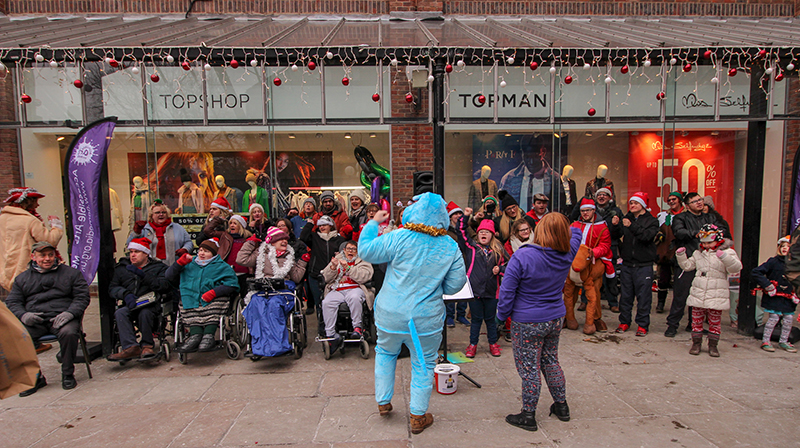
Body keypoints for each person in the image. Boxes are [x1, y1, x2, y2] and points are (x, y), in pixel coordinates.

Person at [358, 193, 467, 435]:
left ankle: (383, 401)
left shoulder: (399, 237)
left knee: (385, 352)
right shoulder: (450, 245)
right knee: (424, 363)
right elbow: (455, 284)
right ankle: (418, 415)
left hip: (390, 313)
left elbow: (365, 250)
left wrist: (374, 222)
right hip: (425, 319)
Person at [497, 213, 581, 431]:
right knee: (551, 360)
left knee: (529, 368)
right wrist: (564, 227)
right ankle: (561, 405)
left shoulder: (523, 256)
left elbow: (507, 291)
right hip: (554, 318)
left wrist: (500, 317)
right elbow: (578, 232)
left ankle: (528, 415)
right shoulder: (567, 252)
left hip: (527, 321)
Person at [6, 242, 90, 391]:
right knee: (17, 336)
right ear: (33, 257)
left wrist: (70, 313)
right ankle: (35, 377)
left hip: (62, 318)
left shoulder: (71, 274)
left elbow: (82, 297)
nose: (47, 259)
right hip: (35, 320)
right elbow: (13, 302)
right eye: (42, 255)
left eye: (50, 255)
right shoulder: (22, 278)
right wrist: (24, 315)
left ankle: (68, 374)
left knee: (69, 333)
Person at [665, 192, 732, 337]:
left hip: (706, 263)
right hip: (687, 260)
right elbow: (679, 232)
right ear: (687, 205)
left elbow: (723, 230)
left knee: (699, 298)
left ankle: (694, 325)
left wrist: (710, 234)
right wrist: (700, 233)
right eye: (695, 201)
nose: (699, 203)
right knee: (680, 296)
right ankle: (672, 325)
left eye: (700, 200)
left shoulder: (710, 217)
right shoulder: (680, 217)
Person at [236, 227, 309, 357]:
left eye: (286, 239)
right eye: (280, 239)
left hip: (282, 291)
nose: (284, 241)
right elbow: (241, 260)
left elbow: (297, 278)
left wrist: (303, 262)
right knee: (256, 305)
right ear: (272, 241)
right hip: (262, 289)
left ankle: (278, 346)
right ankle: (259, 347)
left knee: (274, 306)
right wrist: (251, 243)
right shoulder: (261, 254)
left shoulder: (289, 256)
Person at [676, 224, 742, 357]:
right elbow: (687, 266)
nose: (706, 246)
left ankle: (713, 345)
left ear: (718, 240)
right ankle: (696, 344)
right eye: (704, 243)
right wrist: (681, 255)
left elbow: (736, 268)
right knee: (696, 320)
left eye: (709, 242)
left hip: (717, 290)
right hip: (699, 289)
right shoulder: (698, 253)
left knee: (715, 321)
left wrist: (724, 257)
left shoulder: (728, 252)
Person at [167, 238, 239, 353]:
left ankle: (208, 335)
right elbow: (169, 277)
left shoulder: (222, 266)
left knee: (213, 308)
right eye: (200, 250)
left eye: (206, 251)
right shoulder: (189, 264)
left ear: (213, 254)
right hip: (191, 296)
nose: (201, 253)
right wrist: (179, 263)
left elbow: (232, 284)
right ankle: (195, 336)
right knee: (190, 308)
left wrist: (214, 292)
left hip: (213, 299)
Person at [107, 238, 171, 361]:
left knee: (145, 313)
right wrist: (125, 294)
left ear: (146, 253)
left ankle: (147, 346)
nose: (133, 255)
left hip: (150, 304)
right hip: (131, 303)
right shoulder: (122, 268)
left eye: (137, 252)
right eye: (131, 252)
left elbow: (164, 286)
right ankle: (131, 347)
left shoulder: (159, 268)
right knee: (120, 313)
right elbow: (113, 288)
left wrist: (143, 275)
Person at [458, 208, 506, 358]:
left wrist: (501, 268)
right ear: (477, 235)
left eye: (487, 232)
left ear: (492, 235)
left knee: (490, 320)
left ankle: (493, 344)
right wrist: (466, 216)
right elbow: (461, 231)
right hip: (475, 291)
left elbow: (511, 266)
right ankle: (473, 345)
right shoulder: (471, 247)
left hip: (492, 292)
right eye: (481, 232)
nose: (483, 234)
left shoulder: (498, 251)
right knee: (476, 320)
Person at [0, 187, 63, 292]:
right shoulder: (30, 220)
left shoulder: (2, 219)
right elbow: (48, 242)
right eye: (36, 201)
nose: (37, 205)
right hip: (27, 271)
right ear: (28, 202)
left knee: (17, 302)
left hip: (6, 273)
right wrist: (56, 227)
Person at [614, 193, 659, 337]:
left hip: (643, 265)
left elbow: (646, 237)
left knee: (644, 297)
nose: (632, 205)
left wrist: (632, 226)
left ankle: (642, 324)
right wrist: (615, 225)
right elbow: (616, 235)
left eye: (636, 203)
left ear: (643, 205)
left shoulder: (652, 221)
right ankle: (624, 321)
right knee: (626, 296)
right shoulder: (626, 219)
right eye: (631, 203)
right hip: (627, 264)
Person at [320, 241, 374, 353]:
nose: (350, 251)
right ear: (343, 250)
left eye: (354, 249)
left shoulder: (363, 260)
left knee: (354, 297)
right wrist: (333, 267)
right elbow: (325, 278)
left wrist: (349, 268)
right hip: (338, 289)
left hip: (355, 288)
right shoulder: (337, 259)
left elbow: (365, 277)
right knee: (327, 302)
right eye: (348, 248)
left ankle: (357, 328)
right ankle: (330, 335)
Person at [752, 236, 798, 353]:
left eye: (788, 247)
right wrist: (768, 285)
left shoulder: (796, 265)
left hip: (788, 297)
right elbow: (756, 272)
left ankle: (784, 341)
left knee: (788, 319)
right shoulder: (773, 261)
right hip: (775, 296)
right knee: (774, 318)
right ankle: (766, 341)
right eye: (782, 246)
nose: (785, 249)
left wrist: (797, 292)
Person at [300, 215, 347, 323]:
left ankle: (335, 325)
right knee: (319, 303)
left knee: (334, 302)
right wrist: (310, 224)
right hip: (316, 275)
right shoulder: (314, 237)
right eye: (320, 225)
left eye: (325, 225)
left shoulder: (339, 239)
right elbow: (303, 237)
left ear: (331, 226)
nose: (322, 227)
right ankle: (322, 328)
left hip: (334, 276)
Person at [499, 134, 558, 210]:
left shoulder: (554, 178)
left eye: (536, 156)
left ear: (543, 153)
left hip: (544, 221)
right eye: (527, 157)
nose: (531, 162)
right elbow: (502, 207)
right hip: (518, 221)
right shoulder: (509, 179)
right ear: (522, 155)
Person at [128, 202, 193, 266]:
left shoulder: (177, 228)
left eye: (163, 212)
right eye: (157, 212)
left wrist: (185, 249)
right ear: (152, 216)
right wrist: (137, 233)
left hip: (174, 267)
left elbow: (189, 242)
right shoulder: (145, 229)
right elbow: (129, 245)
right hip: (150, 268)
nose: (161, 214)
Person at [655, 191, 684, 314]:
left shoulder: (686, 215)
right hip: (666, 251)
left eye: (674, 199)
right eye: (669, 200)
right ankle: (661, 303)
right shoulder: (663, 215)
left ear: (680, 201)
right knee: (663, 279)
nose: (671, 202)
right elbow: (657, 231)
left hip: (681, 251)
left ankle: (677, 306)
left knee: (679, 281)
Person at [444, 201, 469, 327]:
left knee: (464, 289)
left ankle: (461, 315)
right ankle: (450, 316)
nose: (458, 215)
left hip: (465, 262)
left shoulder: (466, 228)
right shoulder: (446, 231)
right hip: (451, 264)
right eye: (455, 214)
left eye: (460, 213)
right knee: (451, 290)